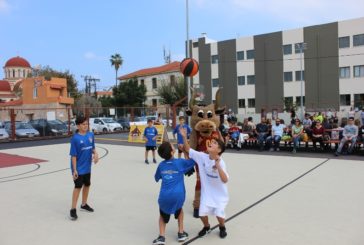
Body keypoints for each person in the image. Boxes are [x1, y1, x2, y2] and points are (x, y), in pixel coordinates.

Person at [180, 127, 229, 239]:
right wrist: (184, 137)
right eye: (211, 141)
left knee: (219, 215)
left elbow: (225, 180)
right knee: (201, 214)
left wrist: (218, 166)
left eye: (214, 142)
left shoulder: (221, 163)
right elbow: (188, 149)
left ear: (219, 150)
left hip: (219, 195)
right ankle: (207, 227)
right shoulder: (202, 157)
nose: (211, 142)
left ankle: (222, 227)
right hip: (207, 193)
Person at [152, 142, 195, 245]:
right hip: (178, 196)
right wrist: (184, 150)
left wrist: (167, 174)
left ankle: (161, 237)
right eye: (172, 146)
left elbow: (156, 178)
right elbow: (192, 161)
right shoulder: (179, 162)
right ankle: (181, 233)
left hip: (164, 196)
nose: (173, 146)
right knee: (179, 210)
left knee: (162, 216)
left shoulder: (161, 165)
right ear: (172, 152)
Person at [69, 116, 99, 220]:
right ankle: (73, 209)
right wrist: (74, 170)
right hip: (78, 168)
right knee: (78, 187)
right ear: (78, 125)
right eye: (83, 124)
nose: (85, 126)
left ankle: (84, 204)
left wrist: (96, 154)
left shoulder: (91, 135)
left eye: (86, 124)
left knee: (87, 184)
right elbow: (73, 155)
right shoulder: (75, 138)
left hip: (87, 167)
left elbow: (93, 147)